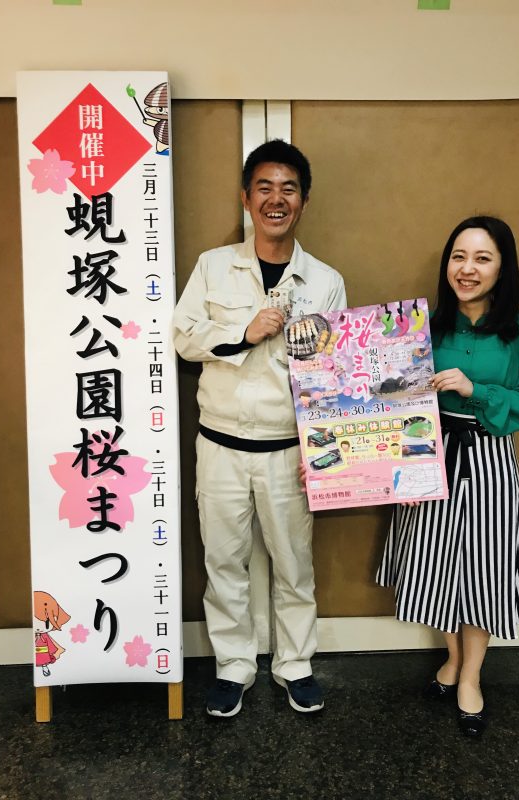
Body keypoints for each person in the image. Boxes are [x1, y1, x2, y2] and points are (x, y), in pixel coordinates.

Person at [173, 139, 346, 717]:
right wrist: (242, 333)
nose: (277, 199)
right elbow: (182, 336)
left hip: (288, 450)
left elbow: (335, 377)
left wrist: (322, 451)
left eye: (289, 189)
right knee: (224, 562)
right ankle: (233, 665)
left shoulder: (324, 280)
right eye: (264, 187)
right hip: (220, 446)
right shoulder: (213, 265)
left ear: (304, 201)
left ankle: (295, 664)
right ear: (246, 198)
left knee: (294, 564)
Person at [376, 216, 519, 737]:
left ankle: (471, 676)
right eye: (458, 256)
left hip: (489, 456)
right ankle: (451, 659)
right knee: (434, 565)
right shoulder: (420, 326)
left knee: (483, 569)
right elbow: (388, 399)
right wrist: (398, 470)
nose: (467, 269)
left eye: (482, 258)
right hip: (428, 452)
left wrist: (476, 390)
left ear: (502, 268)